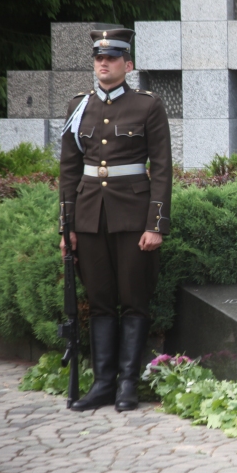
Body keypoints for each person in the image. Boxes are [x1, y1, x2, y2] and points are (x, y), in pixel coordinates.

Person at [59, 28, 172, 412]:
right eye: (98, 58)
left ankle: (128, 384)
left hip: (132, 216)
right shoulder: (79, 107)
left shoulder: (147, 106)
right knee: (101, 301)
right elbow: (69, 173)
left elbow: (162, 168)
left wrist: (155, 224)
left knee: (134, 301)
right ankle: (104, 384)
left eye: (111, 58)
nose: (103, 63)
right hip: (91, 217)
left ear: (129, 64)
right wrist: (67, 228)